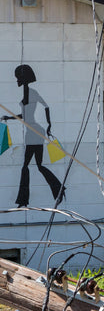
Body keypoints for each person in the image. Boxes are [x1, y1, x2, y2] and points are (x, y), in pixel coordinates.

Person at [1, 64, 64, 207]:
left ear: (24, 78)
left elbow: (45, 107)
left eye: (18, 78)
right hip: (33, 131)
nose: (16, 81)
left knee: (28, 166)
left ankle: (25, 199)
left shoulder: (31, 92)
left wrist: (49, 125)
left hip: (34, 131)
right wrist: (9, 118)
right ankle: (57, 190)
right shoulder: (27, 92)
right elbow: (25, 115)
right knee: (36, 165)